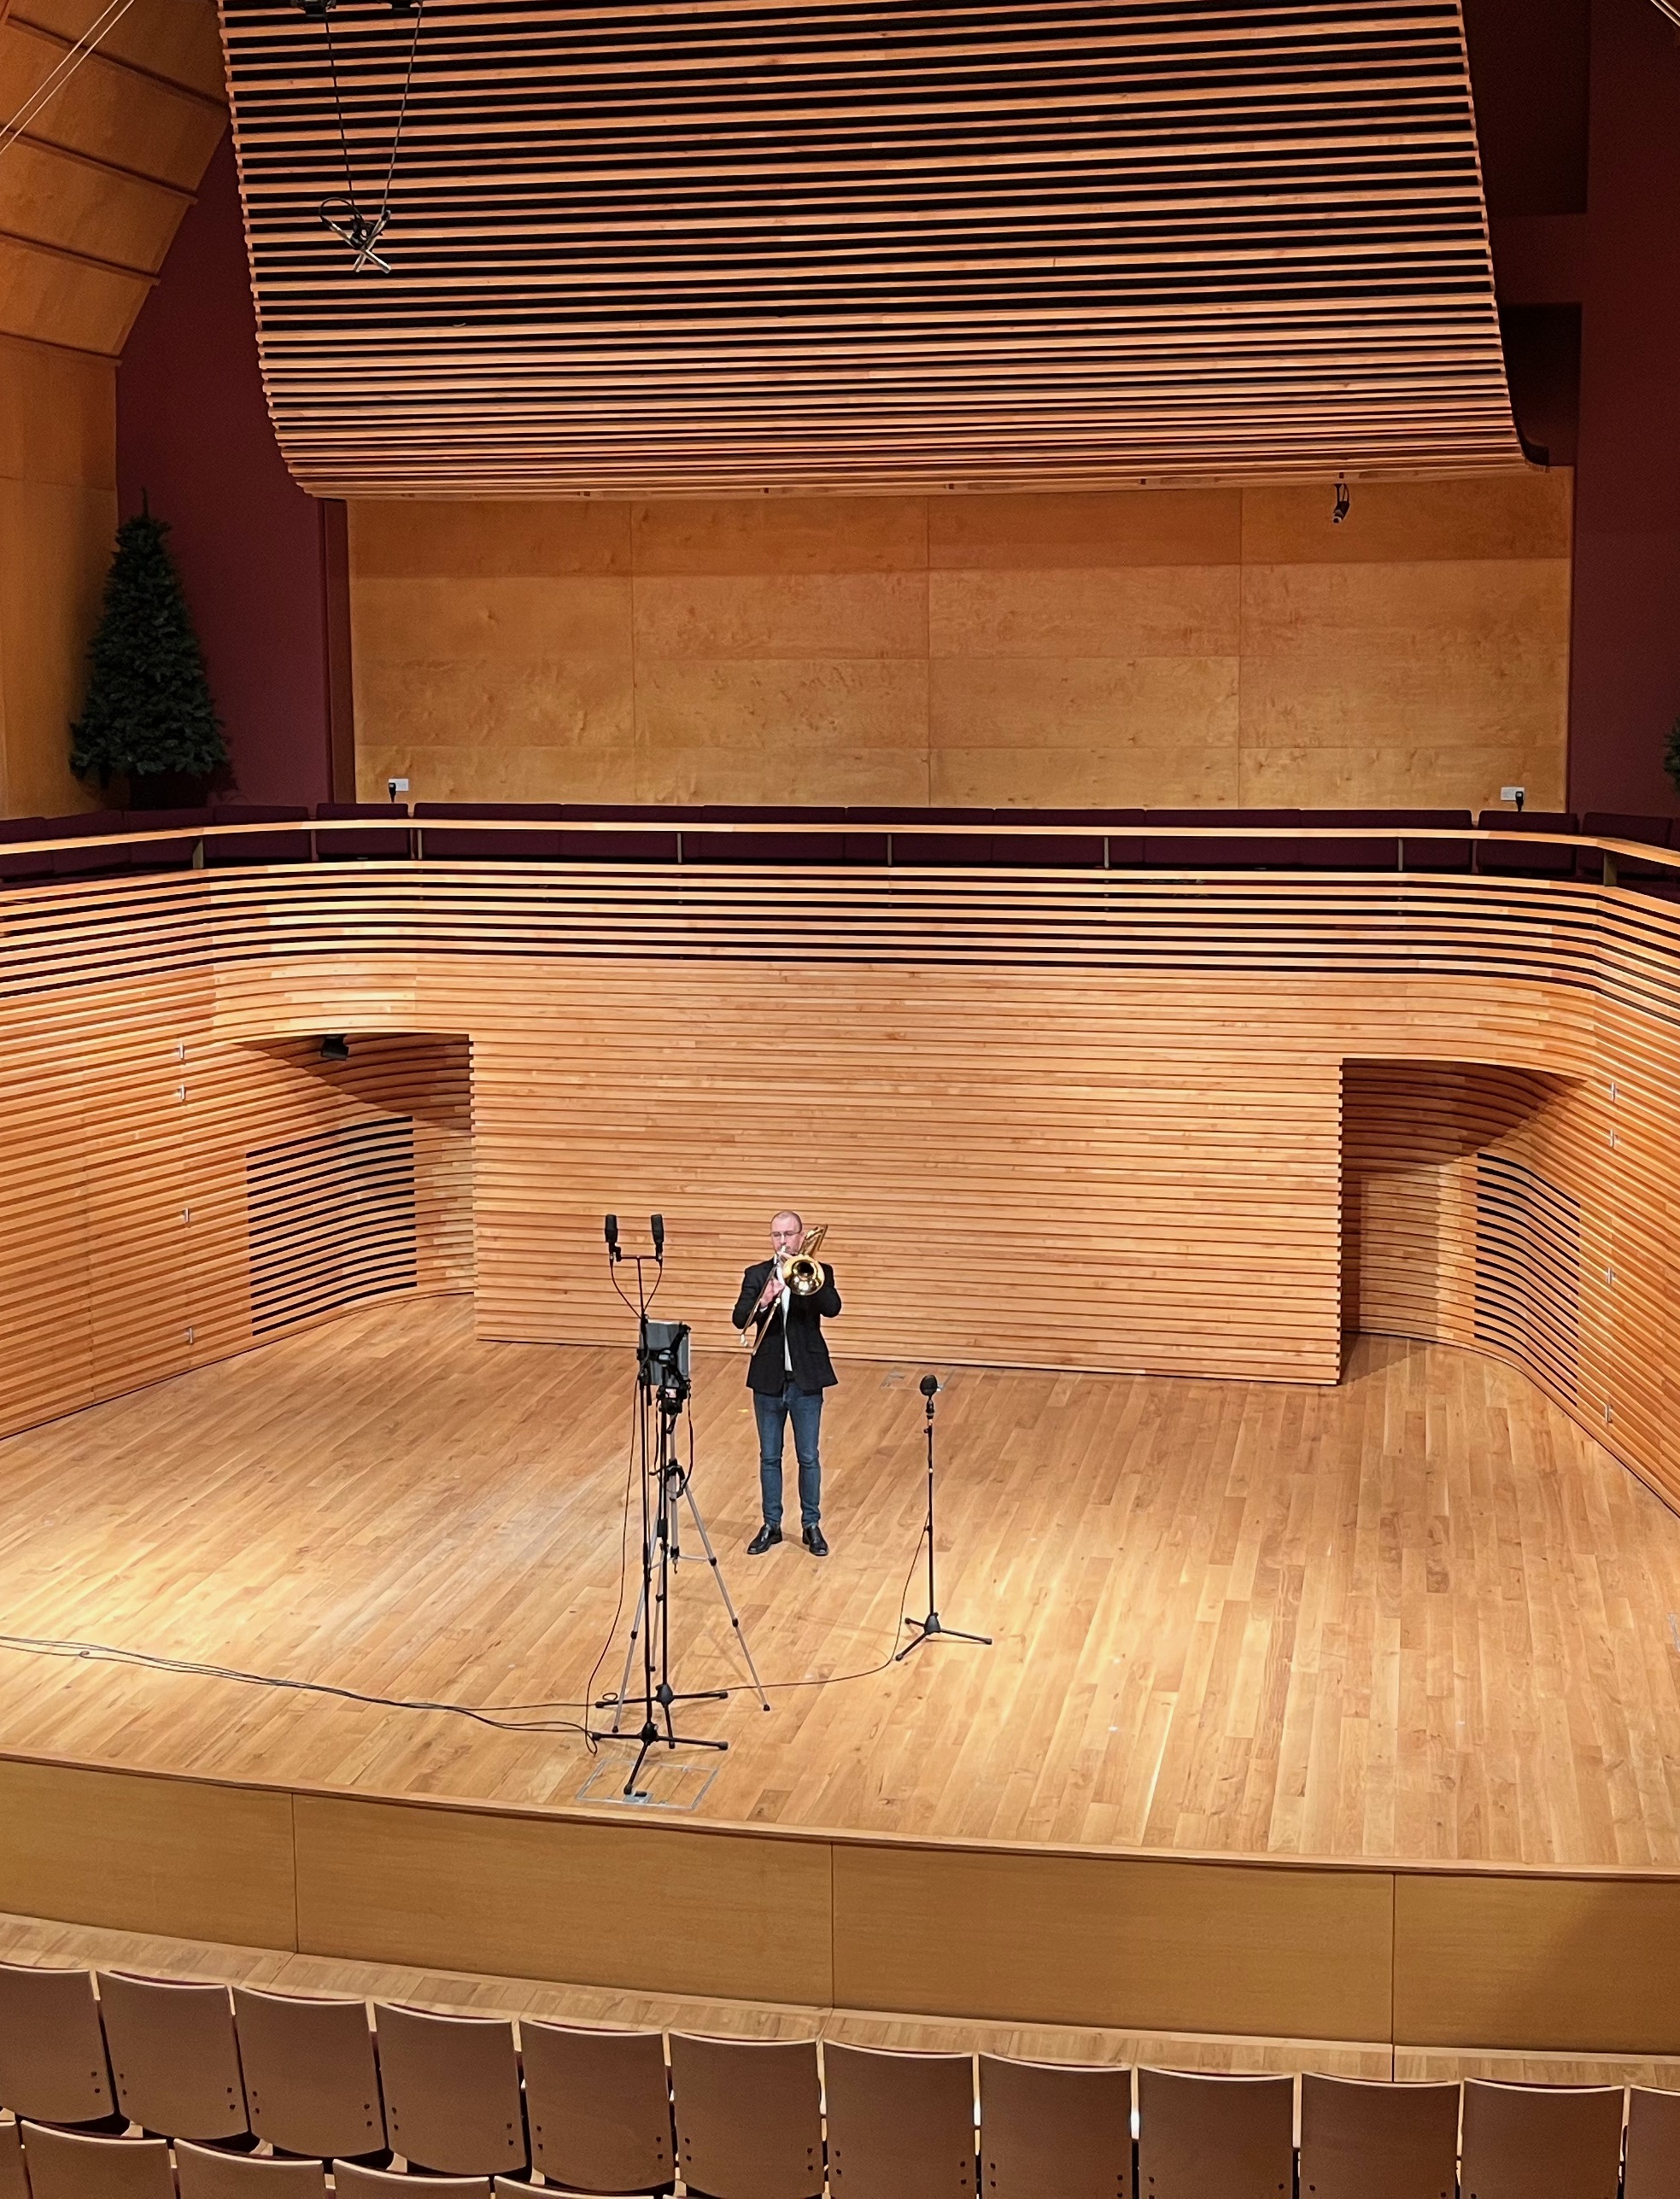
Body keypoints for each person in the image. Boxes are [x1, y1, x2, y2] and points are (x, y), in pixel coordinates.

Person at [731, 1210, 841, 1557]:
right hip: (768, 1380)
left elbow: (833, 1308)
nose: (783, 1242)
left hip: (806, 1379)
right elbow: (739, 1319)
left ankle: (811, 1525)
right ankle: (771, 1525)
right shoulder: (757, 1274)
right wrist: (765, 1298)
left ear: (800, 1236)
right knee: (769, 1457)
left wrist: (809, 1276)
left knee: (808, 1456)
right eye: (777, 1235)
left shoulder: (818, 1271)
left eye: (789, 1235)